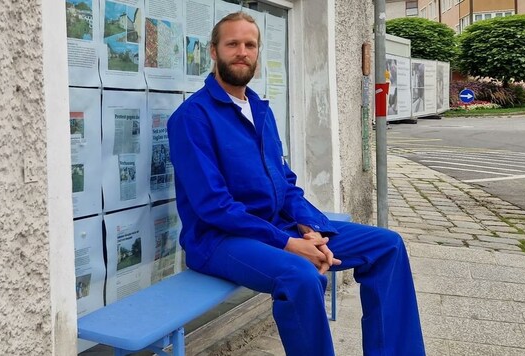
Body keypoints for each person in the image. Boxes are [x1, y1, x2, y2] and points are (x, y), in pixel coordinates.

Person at [167, 12, 425, 356]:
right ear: (214, 52)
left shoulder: (259, 110)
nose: (242, 51)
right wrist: (289, 244)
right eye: (232, 44)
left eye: (250, 44)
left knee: (387, 246)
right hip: (219, 240)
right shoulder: (191, 118)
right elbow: (214, 206)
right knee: (301, 277)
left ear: (257, 52)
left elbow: (284, 183)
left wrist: (310, 228)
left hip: (279, 227)